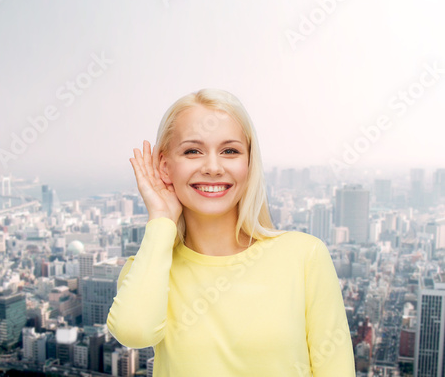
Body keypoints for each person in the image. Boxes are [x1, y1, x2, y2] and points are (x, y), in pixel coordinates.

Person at [106, 89, 356, 376]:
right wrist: (162, 220)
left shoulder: (304, 256)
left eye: (230, 151)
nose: (213, 167)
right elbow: (134, 333)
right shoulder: (150, 269)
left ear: (248, 164)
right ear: (164, 166)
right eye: (192, 151)